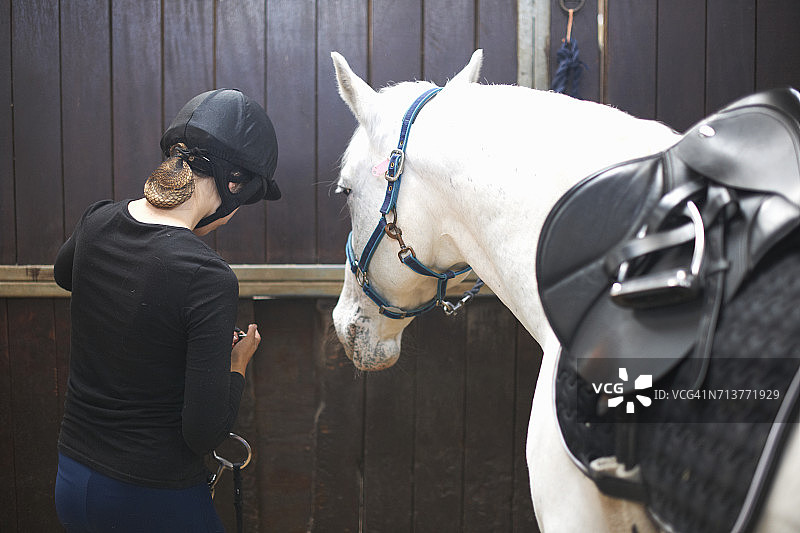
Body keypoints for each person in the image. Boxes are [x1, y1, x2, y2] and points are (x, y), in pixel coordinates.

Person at [53, 89, 279, 532]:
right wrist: (235, 365)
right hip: (151, 499)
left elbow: (67, 274)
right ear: (235, 183)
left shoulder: (97, 220)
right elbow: (203, 432)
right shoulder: (208, 276)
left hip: (72, 480)